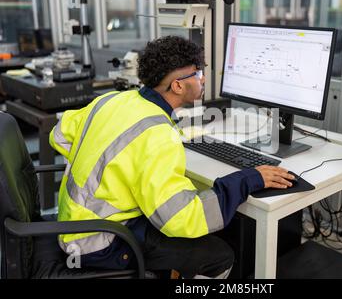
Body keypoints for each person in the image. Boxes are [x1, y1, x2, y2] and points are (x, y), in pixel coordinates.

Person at [49, 36, 295, 279]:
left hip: (73, 224)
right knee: (219, 256)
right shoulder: (158, 134)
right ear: (178, 86)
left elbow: (59, 136)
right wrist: (247, 179)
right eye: (198, 73)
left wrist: (115, 172)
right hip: (100, 242)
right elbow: (183, 218)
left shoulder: (112, 100)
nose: (203, 78)